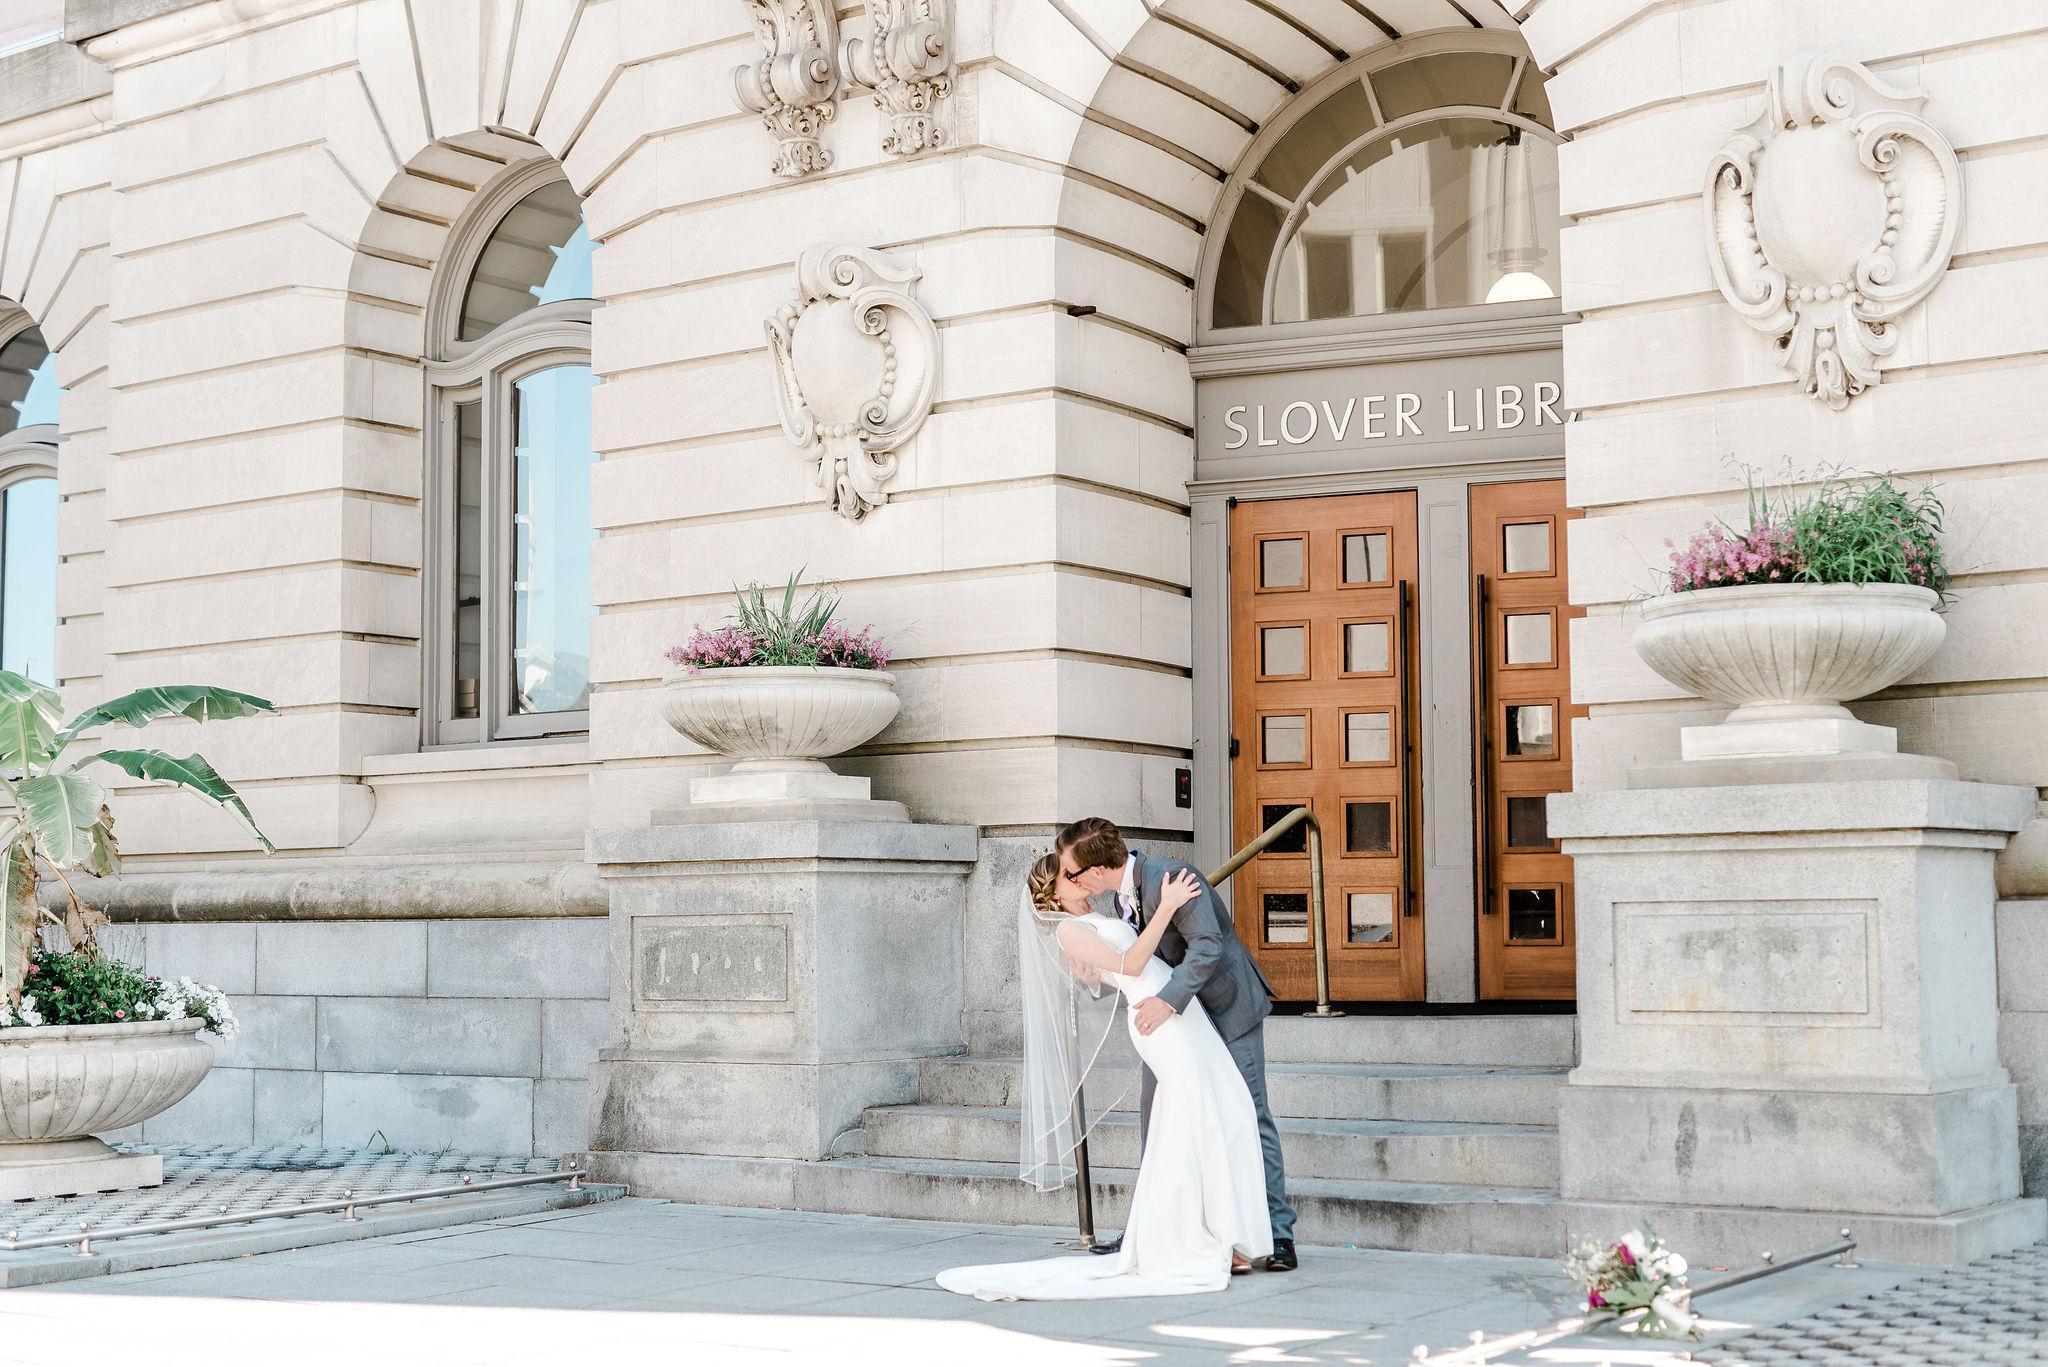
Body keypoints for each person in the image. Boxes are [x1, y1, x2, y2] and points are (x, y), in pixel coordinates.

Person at [934, 851, 1273, 1300]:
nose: (1079, 878)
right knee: (1195, 1121)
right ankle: (1201, 1240)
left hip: (1180, 1012)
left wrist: (1097, 977)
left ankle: (1231, 1233)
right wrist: (1168, 907)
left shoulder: (1100, 915)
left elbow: (1117, 967)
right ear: (1054, 892)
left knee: (1225, 1109)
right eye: (1068, 876)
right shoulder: (1069, 932)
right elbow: (1131, 965)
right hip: (1158, 1021)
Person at [1057, 816, 1298, 1272]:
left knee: (1249, 1114)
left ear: (1095, 871)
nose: (1069, 879)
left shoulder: (1172, 877)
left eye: (1071, 872)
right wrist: (1096, 980)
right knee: (1158, 1121)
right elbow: (1139, 964)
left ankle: (1278, 1234)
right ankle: (1149, 1230)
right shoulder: (1120, 899)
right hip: (1175, 1029)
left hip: (1226, 1010)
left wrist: (1167, 1001)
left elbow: (1207, 946)